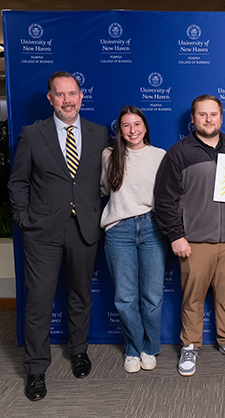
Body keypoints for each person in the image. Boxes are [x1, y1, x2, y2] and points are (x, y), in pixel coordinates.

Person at [8, 71, 109, 401]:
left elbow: (109, 179)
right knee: (38, 302)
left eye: (73, 93)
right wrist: (25, 220)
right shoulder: (32, 134)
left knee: (81, 295)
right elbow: (18, 182)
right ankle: (36, 368)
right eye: (60, 94)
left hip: (84, 229)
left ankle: (79, 350)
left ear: (82, 97)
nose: (67, 100)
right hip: (42, 232)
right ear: (50, 98)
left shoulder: (99, 133)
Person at [154, 94, 225, 376]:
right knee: (193, 297)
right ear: (193, 119)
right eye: (202, 115)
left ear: (221, 118)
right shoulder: (179, 152)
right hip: (194, 241)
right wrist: (175, 236)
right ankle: (190, 345)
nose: (208, 120)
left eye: (213, 114)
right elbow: (165, 200)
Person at [100, 105, 168, 373]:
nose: (132, 130)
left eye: (137, 124)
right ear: (119, 129)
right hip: (119, 230)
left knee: (152, 296)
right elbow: (104, 189)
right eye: (126, 125)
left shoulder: (160, 155)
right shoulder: (109, 155)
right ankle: (132, 348)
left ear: (145, 127)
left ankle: (149, 348)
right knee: (125, 297)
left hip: (152, 228)